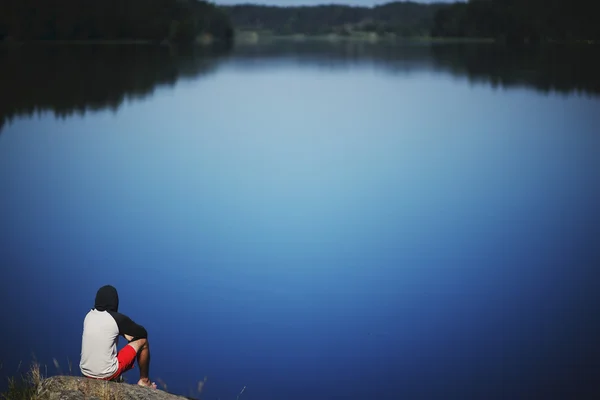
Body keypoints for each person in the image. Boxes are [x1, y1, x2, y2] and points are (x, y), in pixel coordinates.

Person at [80, 285, 156, 388]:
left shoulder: (88, 316)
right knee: (143, 341)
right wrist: (124, 333)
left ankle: (115, 378)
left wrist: (120, 331)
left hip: (85, 372)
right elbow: (142, 333)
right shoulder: (116, 319)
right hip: (106, 374)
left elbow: (104, 329)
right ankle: (144, 381)